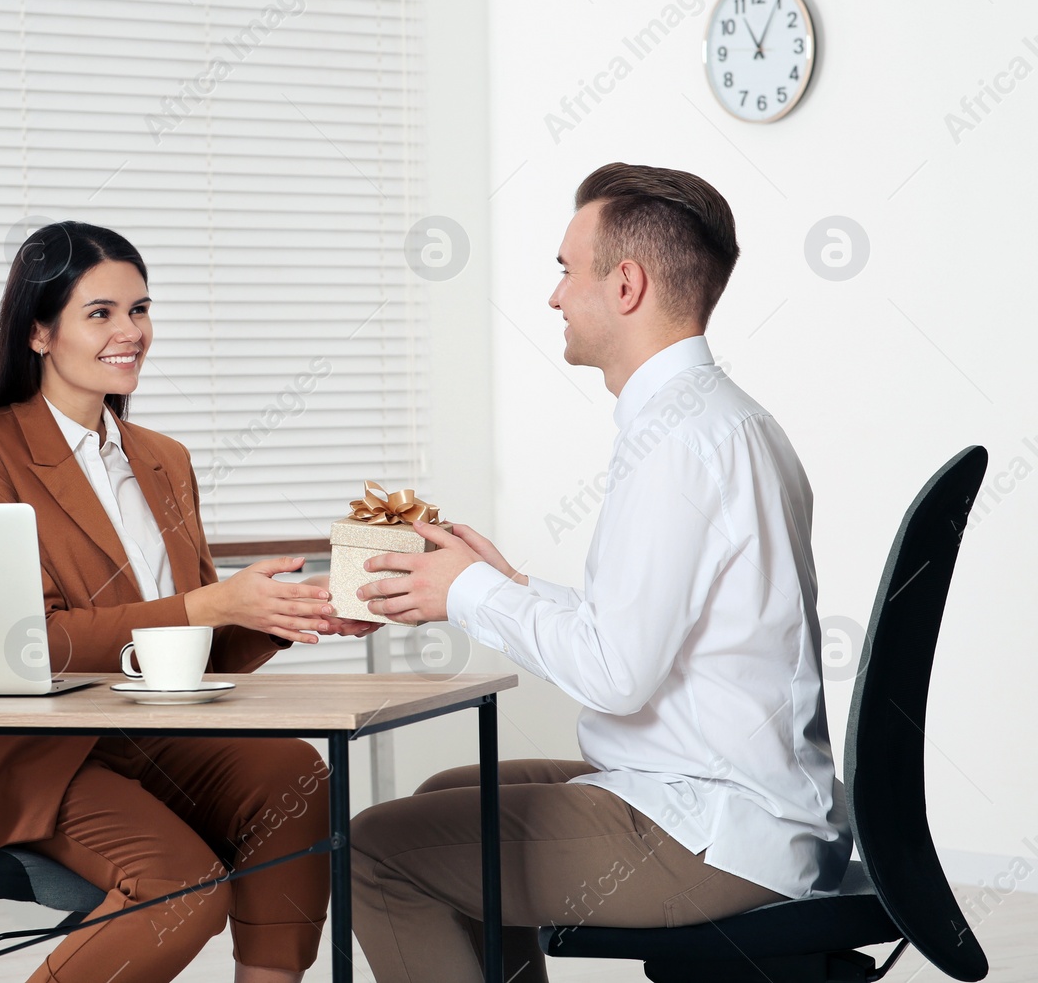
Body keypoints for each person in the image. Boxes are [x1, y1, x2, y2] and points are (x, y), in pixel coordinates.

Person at [347, 163, 852, 983]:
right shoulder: (724, 420)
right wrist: (500, 581)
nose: (553, 297)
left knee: (374, 849)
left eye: (564, 270)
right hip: (739, 796)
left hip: (719, 830)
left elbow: (616, 675)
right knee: (447, 791)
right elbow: (642, 630)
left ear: (626, 284)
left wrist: (470, 594)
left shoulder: (677, 444)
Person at [0, 221, 360, 983]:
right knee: (184, 885)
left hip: (149, 728)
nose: (131, 332)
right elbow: (33, 643)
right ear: (38, 331)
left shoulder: (163, 458)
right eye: (101, 313)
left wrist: (283, 614)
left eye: (140, 309)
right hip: (40, 749)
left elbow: (193, 643)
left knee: (295, 776)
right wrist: (208, 604)